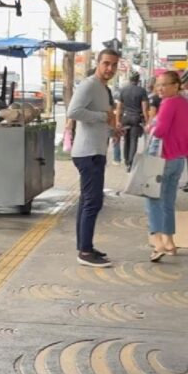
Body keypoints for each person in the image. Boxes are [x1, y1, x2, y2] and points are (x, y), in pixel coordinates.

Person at [67, 49, 120, 268]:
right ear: (98, 63)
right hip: (87, 153)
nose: (110, 68)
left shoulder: (104, 89)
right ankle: (85, 251)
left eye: (114, 65)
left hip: (96, 150)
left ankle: (85, 246)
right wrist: (101, 117)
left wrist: (112, 131)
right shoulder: (89, 85)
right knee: (93, 202)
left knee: (87, 202)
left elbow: (104, 118)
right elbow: (73, 111)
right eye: (106, 63)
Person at [144, 72, 188, 260]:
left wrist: (151, 127)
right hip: (178, 159)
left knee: (152, 199)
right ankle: (169, 242)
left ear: (176, 85)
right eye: (158, 85)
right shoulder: (184, 103)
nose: (160, 88)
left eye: (165, 85)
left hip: (161, 158)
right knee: (168, 201)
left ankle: (157, 243)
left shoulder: (168, 103)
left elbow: (161, 131)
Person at [116, 71, 150, 171]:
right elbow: (144, 108)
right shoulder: (142, 91)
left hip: (125, 118)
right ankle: (131, 162)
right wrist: (147, 121)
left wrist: (118, 120)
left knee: (126, 140)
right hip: (136, 118)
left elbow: (119, 108)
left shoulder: (123, 90)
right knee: (133, 140)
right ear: (138, 80)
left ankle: (126, 160)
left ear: (129, 79)